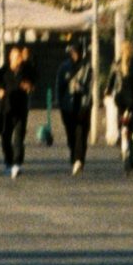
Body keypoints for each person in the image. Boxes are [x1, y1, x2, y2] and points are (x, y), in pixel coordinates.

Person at [55, 39, 95, 175]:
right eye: (72, 52)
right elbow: (59, 86)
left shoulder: (87, 66)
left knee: (81, 133)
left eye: (77, 52)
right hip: (67, 106)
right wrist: (60, 102)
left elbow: (89, 87)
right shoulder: (64, 67)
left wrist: (85, 97)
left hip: (83, 105)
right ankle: (74, 156)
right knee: (71, 134)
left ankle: (79, 160)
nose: (74, 54)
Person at [0, 45, 35, 177]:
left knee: (19, 137)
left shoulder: (27, 69)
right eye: (17, 56)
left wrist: (29, 86)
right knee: (5, 137)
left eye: (20, 56)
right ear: (11, 58)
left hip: (21, 108)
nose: (20, 59)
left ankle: (17, 163)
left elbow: (32, 84)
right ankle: (8, 161)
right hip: (6, 109)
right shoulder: (3, 70)